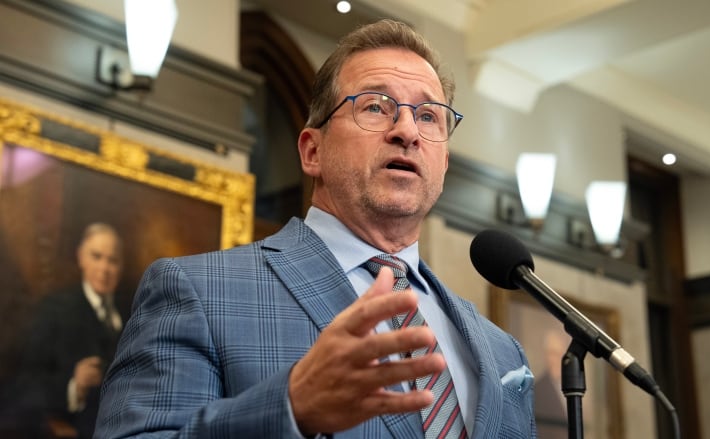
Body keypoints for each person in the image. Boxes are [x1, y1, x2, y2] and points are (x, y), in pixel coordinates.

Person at [95, 19, 537, 438]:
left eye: (428, 115)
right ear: (312, 152)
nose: (407, 130)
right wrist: (289, 407)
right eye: (376, 106)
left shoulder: (503, 352)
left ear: (444, 162)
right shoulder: (198, 292)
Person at [17, 222, 124, 438]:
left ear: (121, 266)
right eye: (96, 256)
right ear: (80, 258)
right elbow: (26, 381)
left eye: (113, 260)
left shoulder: (130, 311)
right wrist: (73, 386)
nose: (104, 269)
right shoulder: (56, 309)